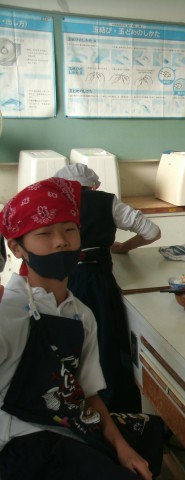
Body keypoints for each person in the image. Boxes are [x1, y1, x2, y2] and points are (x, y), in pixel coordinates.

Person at [0, 178, 163, 479]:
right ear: (16, 247)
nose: (61, 241)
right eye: (44, 233)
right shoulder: (7, 312)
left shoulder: (81, 314)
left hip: (68, 422)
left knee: (150, 432)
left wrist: (122, 448)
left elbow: (87, 393)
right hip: (21, 440)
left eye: (69, 230)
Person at [55, 164, 161, 413]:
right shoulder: (106, 201)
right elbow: (152, 232)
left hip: (59, 281)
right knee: (105, 343)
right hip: (96, 280)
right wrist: (123, 247)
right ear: (93, 186)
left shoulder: (53, 203)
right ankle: (111, 408)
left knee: (67, 344)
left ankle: (72, 404)